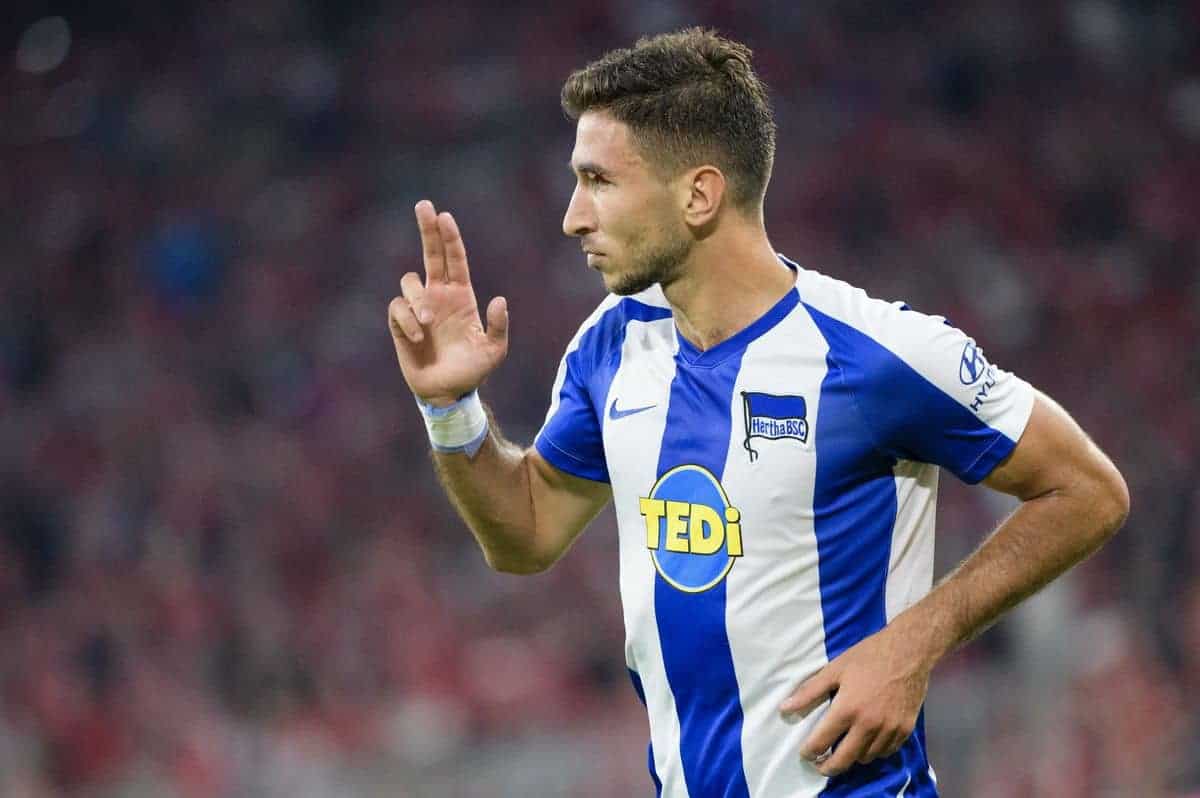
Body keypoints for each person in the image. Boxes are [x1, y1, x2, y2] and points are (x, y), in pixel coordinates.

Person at [387, 27, 1129, 798]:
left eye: (599, 181)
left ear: (699, 195)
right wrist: (450, 407)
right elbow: (526, 534)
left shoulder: (872, 355)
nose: (573, 216)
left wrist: (917, 641)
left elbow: (1087, 490)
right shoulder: (614, 345)